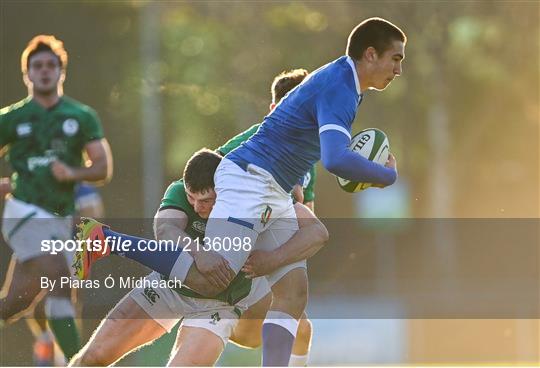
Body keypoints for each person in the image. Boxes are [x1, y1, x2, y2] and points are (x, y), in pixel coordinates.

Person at [76, 17, 406, 366]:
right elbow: (337, 160)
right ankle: (107, 240)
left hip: (273, 189)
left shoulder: (346, 85)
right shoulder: (340, 85)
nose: (399, 69)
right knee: (210, 279)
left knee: (294, 292)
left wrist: (272, 258)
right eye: (396, 58)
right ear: (370, 54)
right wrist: (385, 176)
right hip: (250, 179)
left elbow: (323, 199)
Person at [71, 69, 320, 367]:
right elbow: (165, 227)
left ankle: (106, 239)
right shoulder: (231, 168)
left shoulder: (298, 166)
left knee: (295, 322)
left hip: (223, 304)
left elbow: (313, 232)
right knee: (92, 358)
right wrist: (200, 252)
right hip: (171, 286)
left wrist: (274, 257)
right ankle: (105, 239)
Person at [0, 34, 113, 363]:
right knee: (59, 276)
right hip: (22, 212)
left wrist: (73, 173)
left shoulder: (81, 116)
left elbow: (103, 167)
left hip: (62, 217)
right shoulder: (10, 118)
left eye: (52, 65)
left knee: (17, 302)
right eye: (37, 66)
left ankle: (58, 354)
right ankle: (80, 361)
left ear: (62, 71)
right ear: (27, 74)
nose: (45, 71)